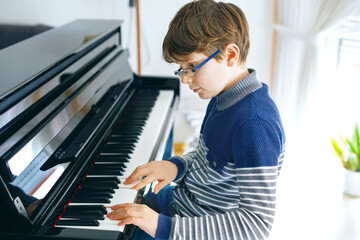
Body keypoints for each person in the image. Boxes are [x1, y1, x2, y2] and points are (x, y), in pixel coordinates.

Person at [107, 0, 285, 239]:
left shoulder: (254, 124)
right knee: (110, 209)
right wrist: (176, 165)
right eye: (181, 69)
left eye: (192, 66)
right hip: (182, 203)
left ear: (230, 55)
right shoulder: (223, 96)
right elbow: (209, 160)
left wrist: (161, 226)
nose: (185, 79)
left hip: (194, 228)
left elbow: (255, 225)